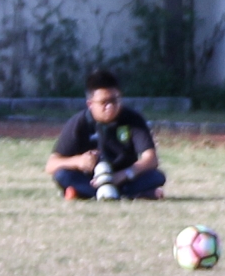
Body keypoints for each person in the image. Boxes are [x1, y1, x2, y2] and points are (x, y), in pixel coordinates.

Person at [46, 70, 165, 200]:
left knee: (157, 176)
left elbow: (151, 159)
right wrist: (78, 161)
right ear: (90, 104)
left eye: (115, 101)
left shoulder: (133, 119)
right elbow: (51, 165)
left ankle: (87, 193)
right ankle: (125, 194)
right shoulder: (79, 123)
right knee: (62, 175)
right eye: (104, 102)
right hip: (91, 180)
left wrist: (124, 174)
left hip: (124, 176)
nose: (110, 107)